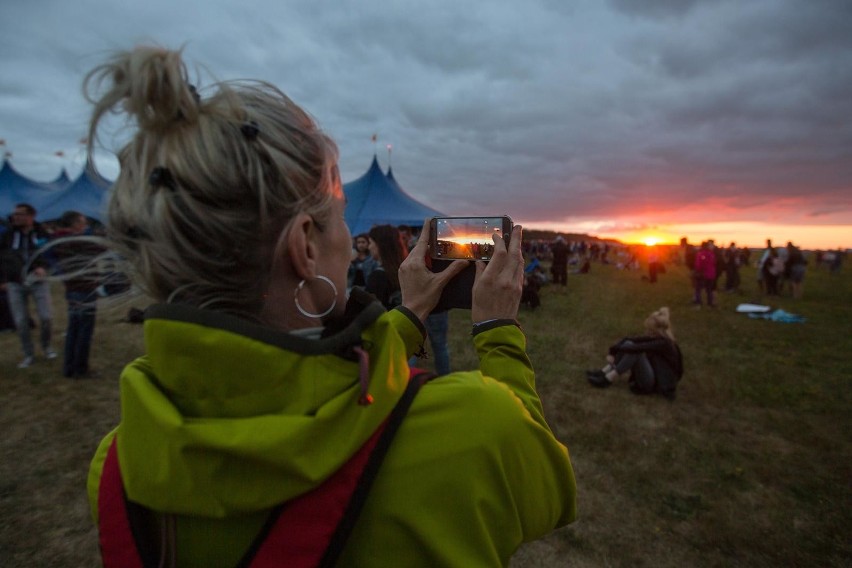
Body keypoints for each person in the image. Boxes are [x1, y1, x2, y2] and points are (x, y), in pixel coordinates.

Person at [84, 46, 576, 567]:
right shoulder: (475, 428)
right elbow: (546, 481)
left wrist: (407, 317)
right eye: (340, 218)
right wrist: (498, 327)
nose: (349, 237)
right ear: (305, 247)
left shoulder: (118, 468)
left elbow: (302, 382)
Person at [0, 202, 56, 368]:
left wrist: (43, 267)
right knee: (21, 320)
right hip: (14, 282)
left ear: (31, 216)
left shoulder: (42, 233)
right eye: (15, 214)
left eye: (20, 214)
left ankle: (46, 347)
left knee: (46, 317)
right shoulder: (7, 235)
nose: (16, 217)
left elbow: (51, 253)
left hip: (37, 280)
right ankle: (28, 354)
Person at [586, 307, 683, 400]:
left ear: (658, 331)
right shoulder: (658, 338)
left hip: (654, 384)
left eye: (650, 330)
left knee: (636, 351)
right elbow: (628, 339)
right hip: (651, 376)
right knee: (629, 344)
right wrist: (613, 350)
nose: (647, 332)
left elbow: (638, 348)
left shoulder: (664, 343)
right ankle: (604, 372)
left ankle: (608, 379)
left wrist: (614, 350)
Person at [51, 211, 104, 378]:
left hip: (72, 290)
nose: (86, 226)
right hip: (84, 290)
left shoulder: (59, 240)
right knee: (84, 331)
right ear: (74, 225)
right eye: (83, 223)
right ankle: (80, 369)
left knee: (73, 329)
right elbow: (101, 246)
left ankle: (69, 367)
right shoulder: (77, 242)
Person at [365, 224, 407, 309]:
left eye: (370, 243)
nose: (369, 247)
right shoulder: (406, 271)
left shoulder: (378, 277)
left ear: (379, 245)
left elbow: (369, 310)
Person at [692, 241, 716, 308]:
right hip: (711, 274)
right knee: (709, 290)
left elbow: (698, 265)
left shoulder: (700, 254)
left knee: (698, 289)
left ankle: (698, 302)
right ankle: (710, 303)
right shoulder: (711, 254)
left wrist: (697, 272)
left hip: (702, 274)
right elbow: (713, 263)